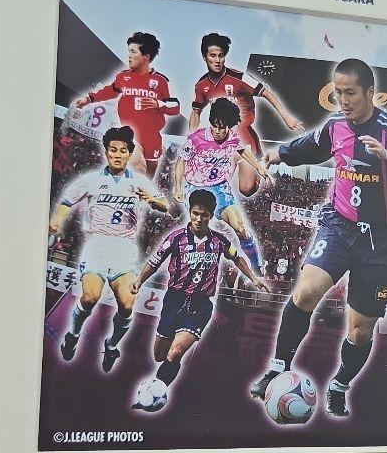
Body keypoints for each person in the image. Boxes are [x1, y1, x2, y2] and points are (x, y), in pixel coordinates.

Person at [252, 58, 387, 418]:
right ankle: (277, 369)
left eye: (350, 93)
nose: (343, 100)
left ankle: (339, 386)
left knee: (361, 330)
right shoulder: (335, 125)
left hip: (380, 243)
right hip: (338, 226)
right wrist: (278, 153)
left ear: (370, 92)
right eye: (338, 93)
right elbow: (309, 146)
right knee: (306, 292)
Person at [131, 189, 271, 401]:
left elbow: (237, 258)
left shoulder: (219, 241)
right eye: (195, 213)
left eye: (204, 215)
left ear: (211, 215)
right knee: (159, 355)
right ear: (190, 212)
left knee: (175, 352)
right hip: (174, 300)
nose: (198, 219)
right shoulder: (176, 238)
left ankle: (155, 394)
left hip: (200, 305)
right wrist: (139, 281)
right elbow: (154, 262)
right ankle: (158, 383)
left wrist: (253, 278)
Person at [50, 126, 169, 372]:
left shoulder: (139, 181)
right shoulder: (92, 180)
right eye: (113, 150)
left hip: (125, 250)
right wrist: (57, 220)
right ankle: (73, 335)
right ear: (106, 152)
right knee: (89, 298)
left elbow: (165, 205)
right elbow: (67, 201)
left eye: (122, 151)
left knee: (127, 305)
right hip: (98, 245)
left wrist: (152, 200)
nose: (117, 154)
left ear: (129, 154)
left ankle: (112, 345)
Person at [189, 32, 304, 195]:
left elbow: (266, 93)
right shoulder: (201, 85)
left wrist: (286, 117)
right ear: (204, 57)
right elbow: (196, 112)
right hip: (222, 142)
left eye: (221, 55)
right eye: (213, 56)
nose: (218, 60)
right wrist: (191, 138)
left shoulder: (239, 77)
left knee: (247, 189)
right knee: (213, 185)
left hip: (244, 138)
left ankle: (256, 164)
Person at [174, 96, 269, 272]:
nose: (218, 131)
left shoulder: (232, 137)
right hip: (196, 188)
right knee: (201, 231)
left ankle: (256, 265)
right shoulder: (196, 139)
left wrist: (259, 168)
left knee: (241, 228)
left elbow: (242, 151)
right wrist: (178, 188)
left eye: (222, 127)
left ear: (229, 126)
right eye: (215, 126)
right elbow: (181, 162)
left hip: (220, 188)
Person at [75, 31, 180, 177]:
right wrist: (89, 99)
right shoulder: (123, 77)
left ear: (146, 56)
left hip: (152, 138)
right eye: (129, 51)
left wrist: (158, 104)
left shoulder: (160, 81)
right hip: (130, 134)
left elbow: (175, 107)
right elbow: (110, 91)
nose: (129, 55)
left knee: (146, 180)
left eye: (133, 52)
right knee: (138, 169)